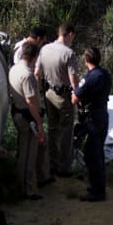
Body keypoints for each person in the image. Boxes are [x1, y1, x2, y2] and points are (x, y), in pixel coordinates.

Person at [35, 24, 79, 178]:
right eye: (72, 36)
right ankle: (64, 167)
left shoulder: (45, 49)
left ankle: (52, 164)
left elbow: (37, 73)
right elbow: (73, 78)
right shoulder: (69, 53)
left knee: (52, 129)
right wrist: (77, 93)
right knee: (66, 130)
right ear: (69, 34)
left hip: (48, 93)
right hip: (63, 96)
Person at [9, 41, 50, 200]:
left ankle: (21, 186)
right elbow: (31, 103)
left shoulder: (14, 68)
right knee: (29, 155)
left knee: (22, 152)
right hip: (28, 118)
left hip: (18, 113)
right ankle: (27, 189)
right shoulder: (27, 75)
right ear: (34, 57)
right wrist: (39, 124)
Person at [71, 47, 112, 202]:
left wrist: (75, 94)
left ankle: (98, 191)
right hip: (102, 115)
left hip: (94, 118)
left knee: (92, 155)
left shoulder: (92, 77)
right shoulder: (105, 74)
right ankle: (98, 186)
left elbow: (75, 98)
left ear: (86, 60)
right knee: (97, 153)